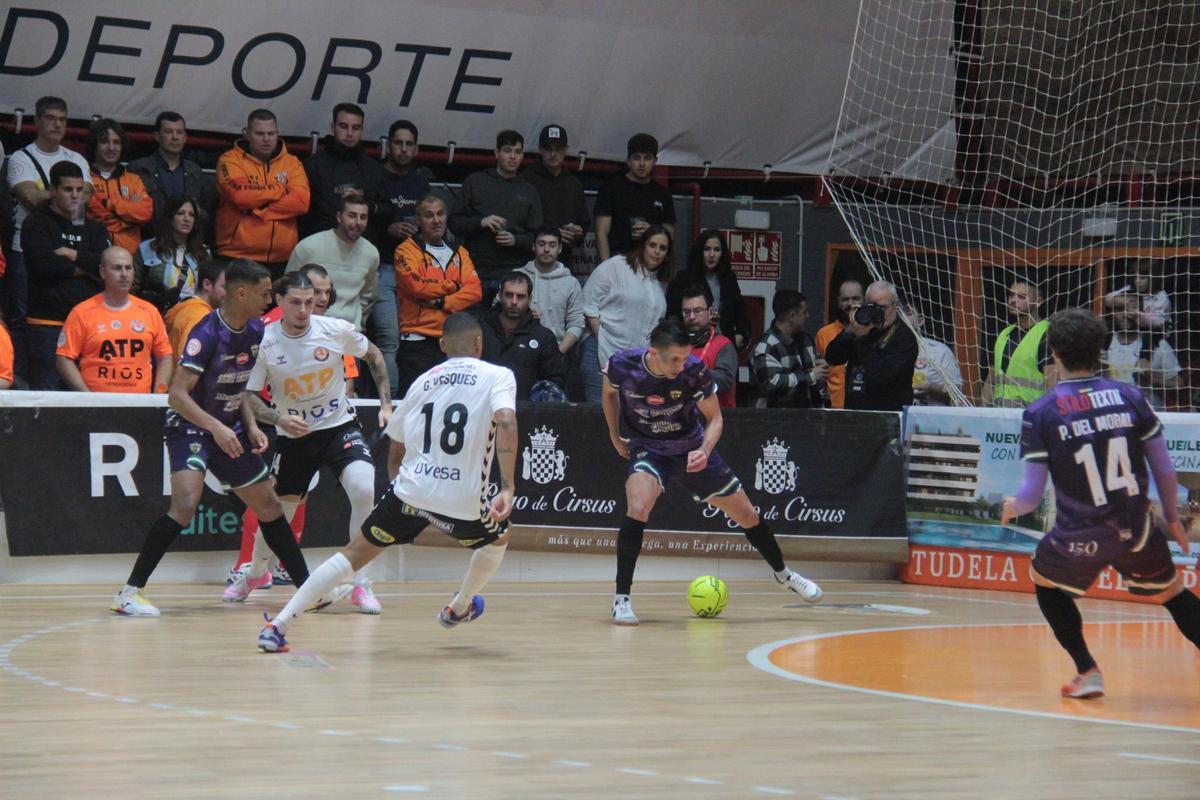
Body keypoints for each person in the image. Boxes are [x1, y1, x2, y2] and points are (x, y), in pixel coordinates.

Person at [257, 312, 518, 652]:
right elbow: (507, 420)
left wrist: (400, 487)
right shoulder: (499, 375)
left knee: (351, 555)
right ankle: (460, 605)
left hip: (411, 490)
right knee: (499, 538)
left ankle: (278, 625)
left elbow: (397, 443)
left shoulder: (424, 380)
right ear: (479, 343)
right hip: (462, 498)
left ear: (441, 345)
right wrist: (508, 486)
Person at [1000, 308, 1200, 699]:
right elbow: (1164, 468)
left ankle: (1087, 670)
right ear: (1101, 350)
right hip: (1137, 526)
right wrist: (1172, 520)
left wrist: (1011, 506)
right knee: (1173, 594)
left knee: (1044, 580)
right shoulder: (1130, 396)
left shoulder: (1041, 411)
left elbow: (1029, 496)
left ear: (1053, 352)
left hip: (1082, 533)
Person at [111, 260, 315, 617]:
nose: (270, 299)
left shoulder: (254, 330)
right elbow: (177, 395)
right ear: (241, 292)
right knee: (186, 503)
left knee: (268, 504)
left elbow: (239, 388)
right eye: (265, 292)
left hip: (229, 425)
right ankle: (129, 593)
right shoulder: (205, 333)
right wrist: (216, 428)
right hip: (190, 423)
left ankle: (307, 590)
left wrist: (249, 424)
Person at [602, 319, 823, 625]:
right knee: (638, 505)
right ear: (654, 353)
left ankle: (784, 574)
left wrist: (704, 451)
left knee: (748, 515)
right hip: (648, 448)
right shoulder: (622, 365)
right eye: (675, 359)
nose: (682, 364)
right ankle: (621, 598)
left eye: (685, 356)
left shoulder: (694, 371)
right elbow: (609, 395)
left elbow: (716, 419)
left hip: (691, 448)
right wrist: (614, 436)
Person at [225, 271, 393, 614]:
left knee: (363, 488)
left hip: (339, 427)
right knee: (276, 513)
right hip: (295, 437)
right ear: (279, 301)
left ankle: (362, 583)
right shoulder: (265, 341)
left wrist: (386, 404)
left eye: (310, 301)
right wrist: (278, 418)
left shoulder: (333, 330)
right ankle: (255, 573)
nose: (304, 309)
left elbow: (374, 355)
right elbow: (250, 395)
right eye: (296, 302)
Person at [5, 97, 92, 375]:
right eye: (51, 118)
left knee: (74, 315)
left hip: (70, 243)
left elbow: (88, 195)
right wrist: (64, 196)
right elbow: (28, 197)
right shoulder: (20, 157)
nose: (57, 124)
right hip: (26, 247)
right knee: (21, 315)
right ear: (37, 120)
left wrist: (55, 195)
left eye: (62, 119)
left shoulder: (76, 158)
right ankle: (18, 377)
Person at [20, 161, 110, 390]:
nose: (75, 196)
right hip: (47, 323)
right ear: (52, 191)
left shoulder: (95, 228)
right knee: (48, 397)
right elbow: (44, 266)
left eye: (79, 190)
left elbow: (107, 265)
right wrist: (87, 266)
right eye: (68, 189)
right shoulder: (36, 223)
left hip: (88, 326)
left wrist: (71, 254)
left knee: (87, 397)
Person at [370, 119, 434, 395]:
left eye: (409, 144)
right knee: (389, 339)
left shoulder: (422, 182)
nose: (404, 149)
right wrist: (388, 228)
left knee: (417, 339)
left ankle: (416, 396)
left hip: (416, 270)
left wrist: (421, 227)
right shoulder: (375, 177)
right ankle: (389, 401)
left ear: (416, 148)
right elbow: (362, 221)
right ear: (388, 145)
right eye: (398, 143)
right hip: (382, 266)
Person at [394, 194, 482, 395]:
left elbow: (475, 291)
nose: (436, 220)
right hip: (417, 340)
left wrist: (444, 301)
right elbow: (416, 286)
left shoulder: (460, 252)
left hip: (452, 340)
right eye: (429, 215)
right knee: (414, 407)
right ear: (418, 220)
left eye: (441, 214)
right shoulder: (405, 250)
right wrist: (455, 284)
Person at [56, 246, 173, 393]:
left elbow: (165, 356)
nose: (124, 274)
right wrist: (86, 397)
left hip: (140, 406)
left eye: (128, 268)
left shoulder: (149, 311)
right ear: (102, 272)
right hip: (97, 407)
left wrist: (158, 395)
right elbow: (64, 359)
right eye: (117, 268)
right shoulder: (82, 312)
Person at [449, 129, 543, 303]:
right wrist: (481, 222)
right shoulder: (475, 182)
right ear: (496, 153)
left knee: (508, 328)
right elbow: (454, 223)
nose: (513, 157)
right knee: (472, 326)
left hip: (513, 273)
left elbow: (538, 237)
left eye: (518, 152)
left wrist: (516, 240)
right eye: (507, 151)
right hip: (474, 270)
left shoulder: (529, 190)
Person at [580, 225, 673, 403]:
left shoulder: (660, 281)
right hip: (602, 354)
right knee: (599, 420)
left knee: (626, 425)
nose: (657, 251)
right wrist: (599, 333)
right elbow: (589, 300)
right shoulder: (616, 266)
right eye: (652, 245)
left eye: (663, 248)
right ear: (642, 245)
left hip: (636, 366)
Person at [215, 109, 310, 276]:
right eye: (260, 133)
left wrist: (260, 210)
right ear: (247, 134)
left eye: (271, 133)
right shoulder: (229, 160)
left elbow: (301, 202)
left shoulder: (292, 163)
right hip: (237, 258)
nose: (266, 139)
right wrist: (280, 189)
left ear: (277, 134)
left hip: (282, 261)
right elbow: (240, 196)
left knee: (278, 304)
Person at [286, 192, 379, 331]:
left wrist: (359, 321)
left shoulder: (371, 253)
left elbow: (368, 295)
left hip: (350, 332)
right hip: (311, 330)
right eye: (352, 216)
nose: (358, 222)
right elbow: (287, 289)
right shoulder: (308, 247)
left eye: (363, 217)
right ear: (339, 216)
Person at [824, 280, 917, 411]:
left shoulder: (904, 337)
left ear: (895, 306)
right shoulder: (862, 328)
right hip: (855, 413)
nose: (878, 313)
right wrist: (850, 329)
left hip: (888, 416)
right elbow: (832, 357)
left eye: (883, 308)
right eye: (872, 307)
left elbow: (882, 377)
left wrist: (861, 339)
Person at [301, 102, 387, 238]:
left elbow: (387, 211)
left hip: (361, 247)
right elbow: (302, 212)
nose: (349, 133)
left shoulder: (373, 168)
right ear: (332, 127)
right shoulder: (313, 165)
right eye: (343, 126)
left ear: (362, 130)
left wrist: (365, 205)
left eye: (356, 128)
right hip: (320, 245)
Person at [479, 271, 566, 400]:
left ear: (529, 299)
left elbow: (554, 383)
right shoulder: (479, 329)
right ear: (500, 296)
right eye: (509, 295)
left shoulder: (544, 337)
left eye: (520, 296)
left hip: (526, 413)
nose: (514, 302)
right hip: (483, 409)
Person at [128, 111, 218, 230]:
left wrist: (198, 212)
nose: (175, 137)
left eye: (179, 132)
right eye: (168, 132)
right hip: (149, 242)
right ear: (156, 136)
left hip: (186, 243)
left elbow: (207, 214)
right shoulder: (138, 169)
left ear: (185, 138)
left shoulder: (195, 171)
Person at [593, 133, 676, 262]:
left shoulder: (663, 194)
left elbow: (670, 235)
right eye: (637, 158)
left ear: (655, 161)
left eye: (647, 158)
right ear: (628, 160)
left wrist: (652, 232)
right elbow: (601, 233)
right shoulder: (611, 188)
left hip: (652, 265)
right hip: (619, 262)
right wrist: (606, 268)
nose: (642, 164)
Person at [519, 124, 590, 269]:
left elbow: (584, 223)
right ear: (540, 150)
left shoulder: (574, 183)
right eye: (548, 149)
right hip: (530, 262)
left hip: (563, 264)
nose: (553, 154)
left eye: (558, 149)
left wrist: (577, 232)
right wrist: (554, 233)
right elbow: (518, 223)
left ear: (566, 150)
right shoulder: (525, 181)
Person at [666, 230, 750, 348]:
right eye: (707, 249)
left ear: (722, 253)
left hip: (723, 342)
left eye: (717, 250)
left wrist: (741, 334)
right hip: (693, 343)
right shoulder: (684, 278)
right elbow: (673, 314)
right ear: (700, 251)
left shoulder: (728, 278)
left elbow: (740, 309)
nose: (712, 255)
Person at [983, 277, 1055, 407]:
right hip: (999, 418)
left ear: (1038, 302)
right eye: (1011, 295)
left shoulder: (1047, 334)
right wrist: (981, 415)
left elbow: (1053, 386)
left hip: (1031, 418)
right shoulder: (1004, 334)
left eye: (1021, 297)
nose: (1013, 300)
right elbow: (991, 380)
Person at [750, 289, 827, 408]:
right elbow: (771, 384)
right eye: (804, 312)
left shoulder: (806, 339)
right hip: (779, 421)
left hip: (809, 417)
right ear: (792, 316)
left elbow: (815, 381)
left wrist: (821, 372)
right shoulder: (766, 347)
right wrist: (811, 377)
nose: (808, 316)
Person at [86, 119, 153, 253]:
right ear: (95, 145)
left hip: (129, 257)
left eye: (116, 142)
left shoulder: (133, 180)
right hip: (93, 253)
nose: (111, 147)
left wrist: (109, 204)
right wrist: (128, 220)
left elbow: (145, 212)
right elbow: (93, 213)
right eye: (105, 142)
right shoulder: (85, 178)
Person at [134, 195, 212, 312]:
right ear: (170, 217)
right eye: (180, 213)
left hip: (191, 313)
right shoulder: (147, 248)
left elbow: (210, 292)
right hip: (154, 312)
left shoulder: (203, 253)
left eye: (192, 215)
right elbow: (134, 288)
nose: (187, 219)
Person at [1104, 294, 1181, 410]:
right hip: (1114, 417)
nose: (1126, 314)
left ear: (1141, 312)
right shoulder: (1103, 344)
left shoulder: (1157, 345)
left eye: (1132, 309)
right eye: (1120, 309)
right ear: (1112, 313)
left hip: (1149, 417)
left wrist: (1151, 378)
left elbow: (1180, 385)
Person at [514, 226, 584, 355]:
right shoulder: (516, 277)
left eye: (552, 245)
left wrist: (557, 353)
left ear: (560, 248)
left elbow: (577, 324)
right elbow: (497, 311)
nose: (546, 249)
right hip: (518, 347)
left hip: (555, 350)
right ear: (533, 247)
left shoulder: (571, 283)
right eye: (542, 244)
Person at [679, 286, 737, 407]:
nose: (691, 317)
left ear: (710, 313)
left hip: (717, 418)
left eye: (698, 310)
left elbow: (725, 381)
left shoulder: (723, 344)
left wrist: (693, 372)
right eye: (686, 312)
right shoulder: (677, 345)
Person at [815, 278, 864, 409]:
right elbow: (819, 377)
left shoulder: (872, 331)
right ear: (838, 301)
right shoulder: (824, 334)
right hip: (835, 410)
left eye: (856, 298)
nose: (850, 304)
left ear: (864, 300)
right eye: (845, 299)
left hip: (864, 409)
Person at [165, 259, 226, 359]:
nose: (229, 294)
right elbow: (189, 363)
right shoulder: (200, 316)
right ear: (207, 284)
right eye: (225, 287)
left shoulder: (190, 307)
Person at [905, 303, 964, 406]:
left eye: (908, 313)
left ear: (920, 320)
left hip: (929, 419)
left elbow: (958, 392)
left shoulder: (939, 351)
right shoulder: (882, 348)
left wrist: (931, 389)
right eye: (898, 312)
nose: (902, 317)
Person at [1102, 258, 1171, 331]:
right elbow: (1105, 299)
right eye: (1135, 277)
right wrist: (1119, 300)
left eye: (1142, 278)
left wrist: (1139, 316)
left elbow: (1160, 322)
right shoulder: (1130, 289)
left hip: (1157, 335)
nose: (1137, 281)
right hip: (1133, 333)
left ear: (1153, 278)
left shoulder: (1161, 297)